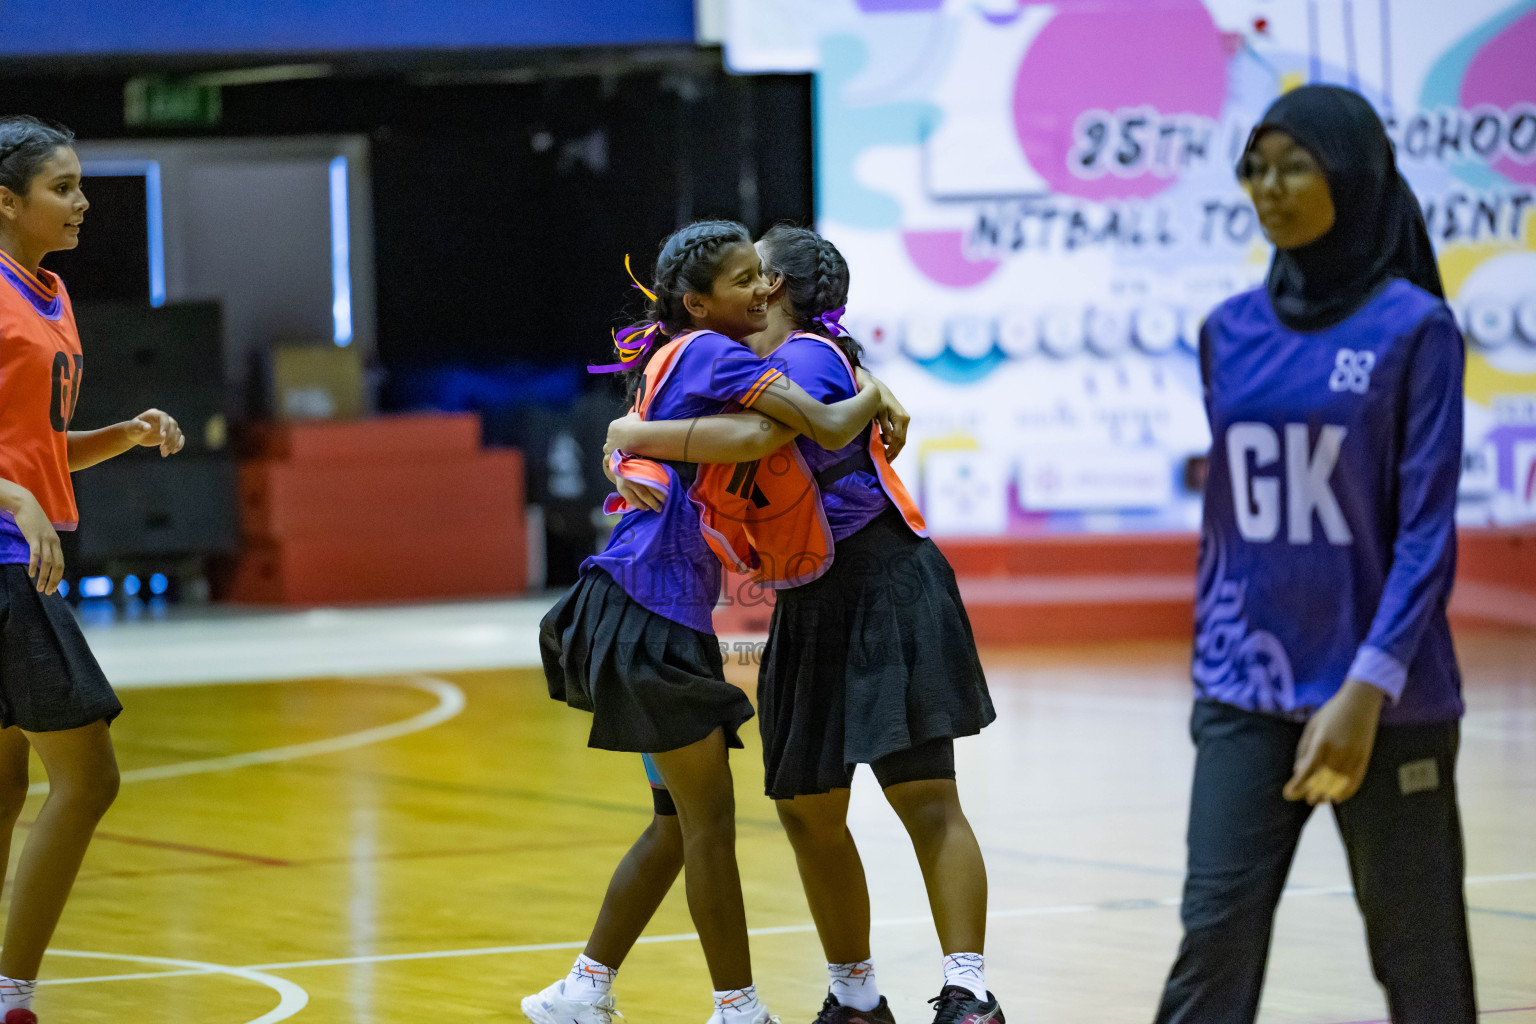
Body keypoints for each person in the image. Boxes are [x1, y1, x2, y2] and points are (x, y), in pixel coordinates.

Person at [605, 225, 1002, 1024]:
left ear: (776, 288)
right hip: (809, 597)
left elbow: (759, 436)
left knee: (923, 794)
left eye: (757, 271)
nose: (748, 283)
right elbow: (689, 424)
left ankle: (970, 992)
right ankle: (855, 997)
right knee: (806, 806)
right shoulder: (740, 366)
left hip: (885, 580)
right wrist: (627, 450)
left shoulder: (813, 361)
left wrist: (632, 435)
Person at [1153, 85, 1475, 1023]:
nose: (1270, 186)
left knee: (1421, 965)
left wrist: (1367, 686)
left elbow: (1426, 528)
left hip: (1389, 701)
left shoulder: (1415, 328)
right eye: (1256, 166)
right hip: (1243, 689)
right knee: (1212, 945)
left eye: (1296, 165)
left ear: (1354, 176)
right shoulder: (1227, 330)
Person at [532, 219, 902, 1024]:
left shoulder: (672, 353)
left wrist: (626, 434)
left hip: (636, 601)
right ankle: (738, 1010)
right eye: (745, 280)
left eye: (764, 277)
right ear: (698, 302)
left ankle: (583, 989)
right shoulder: (714, 353)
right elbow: (818, 425)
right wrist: (879, 391)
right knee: (709, 826)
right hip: (648, 611)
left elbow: (719, 438)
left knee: (674, 824)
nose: (764, 289)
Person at [0, 115, 186, 1024]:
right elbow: (13, 483)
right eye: (61, 188)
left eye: (81, 185)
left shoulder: (48, 293)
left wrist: (122, 434)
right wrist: (12, 501)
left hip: (17, 555)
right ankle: (13, 995)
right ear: (5, 201)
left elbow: (32, 452)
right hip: (4, 565)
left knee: (4, 787)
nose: (81, 203)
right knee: (92, 777)